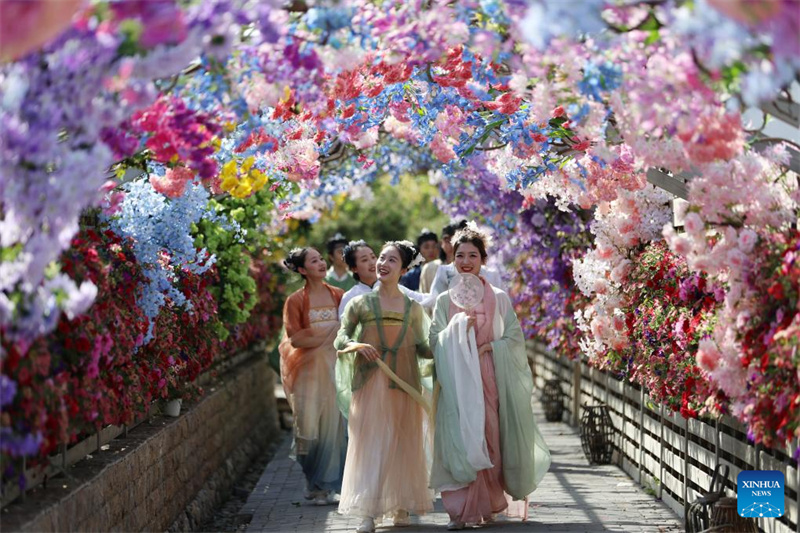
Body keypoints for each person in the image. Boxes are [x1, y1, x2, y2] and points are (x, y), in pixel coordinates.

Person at [429, 227, 551, 530]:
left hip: (488, 374)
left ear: (483, 259)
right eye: (460, 255)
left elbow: (514, 338)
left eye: (473, 255)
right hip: (456, 379)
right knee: (459, 437)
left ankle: (486, 503)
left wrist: (486, 347)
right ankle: (460, 509)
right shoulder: (445, 300)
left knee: (489, 437)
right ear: (452, 259)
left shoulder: (497, 298)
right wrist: (458, 326)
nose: (466, 261)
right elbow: (434, 339)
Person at [335, 241, 435, 533]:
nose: (382, 264)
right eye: (381, 258)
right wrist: (356, 344)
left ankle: (400, 505)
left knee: (403, 444)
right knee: (373, 445)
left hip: (405, 383)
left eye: (392, 260)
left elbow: (423, 348)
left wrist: (449, 342)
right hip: (370, 383)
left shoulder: (413, 308)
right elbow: (340, 337)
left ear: (404, 269)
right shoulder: (359, 303)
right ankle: (369, 512)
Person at [279, 247, 348, 506]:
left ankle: (326, 485)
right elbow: (295, 338)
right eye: (314, 261)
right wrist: (329, 333)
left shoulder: (338, 295)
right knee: (309, 428)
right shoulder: (295, 300)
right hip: (307, 372)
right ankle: (312, 481)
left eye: (321, 259)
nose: (321, 263)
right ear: (302, 270)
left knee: (333, 427)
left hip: (333, 370)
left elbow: (348, 329)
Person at [339, 239, 430, 319]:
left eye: (373, 257)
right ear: (354, 268)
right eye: (364, 260)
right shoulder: (350, 297)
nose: (372, 262)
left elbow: (424, 299)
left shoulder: (396, 289)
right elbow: (344, 329)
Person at [420, 221, 464, 294]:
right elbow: (424, 300)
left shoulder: (469, 267)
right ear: (441, 243)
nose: (451, 243)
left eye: (455, 240)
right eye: (447, 240)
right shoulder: (430, 268)